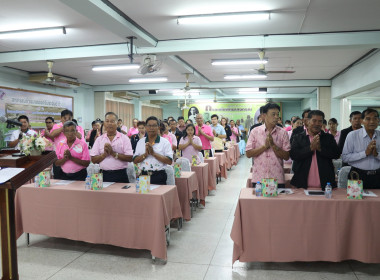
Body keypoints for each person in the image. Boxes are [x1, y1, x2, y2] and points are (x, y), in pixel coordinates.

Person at [290, 110, 340, 190]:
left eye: (320, 121)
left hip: (326, 184)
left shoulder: (328, 137)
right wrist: (310, 148)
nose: (317, 124)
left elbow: (336, 154)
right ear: (307, 121)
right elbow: (293, 155)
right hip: (301, 184)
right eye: (314, 121)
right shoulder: (298, 138)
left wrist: (320, 149)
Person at [246, 103, 290, 188]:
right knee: (259, 201)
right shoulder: (255, 131)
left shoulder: (283, 133)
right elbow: (248, 153)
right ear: (264, 115)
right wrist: (264, 147)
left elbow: (287, 156)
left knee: (279, 201)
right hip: (259, 178)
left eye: (278, 114)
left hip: (277, 178)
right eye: (273, 114)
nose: (276, 117)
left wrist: (273, 146)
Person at [342, 108, 380, 189]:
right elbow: (345, 157)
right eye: (368, 119)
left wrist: (376, 154)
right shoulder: (352, 135)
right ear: (362, 121)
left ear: (378, 121)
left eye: (375, 118)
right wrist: (365, 153)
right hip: (357, 175)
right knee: (356, 201)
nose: (372, 121)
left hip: (378, 175)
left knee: (376, 201)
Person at [90, 112, 133, 183]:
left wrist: (113, 153)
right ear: (104, 124)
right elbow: (93, 160)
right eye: (107, 121)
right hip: (104, 175)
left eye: (112, 121)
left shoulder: (124, 138)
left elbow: (130, 158)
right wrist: (104, 155)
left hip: (121, 175)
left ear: (117, 124)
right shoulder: (99, 139)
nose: (109, 123)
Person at [133, 116, 173, 185]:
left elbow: (169, 161)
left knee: (158, 195)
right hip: (143, 175)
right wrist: (145, 155)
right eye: (149, 125)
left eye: (154, 125)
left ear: (158, 127)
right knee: (144, 195)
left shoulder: (165, 142)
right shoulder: (141, 142)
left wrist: (153, 153)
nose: (151, 128)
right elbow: (135, 160)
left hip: (159, 175)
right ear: (146, 127)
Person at [178, 123, 205, 202]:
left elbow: (200, 148)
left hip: (195, 162)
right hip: (185, 162)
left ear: (194, 131)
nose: (190, 131)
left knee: (196, 179)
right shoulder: (183, 138)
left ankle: (196, 196)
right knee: (186, 180)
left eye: (191, 130)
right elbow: (180, 148)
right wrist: (188, 142)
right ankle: (188, 196)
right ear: (186, 130)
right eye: (188, 130)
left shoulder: (196, 138)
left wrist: (192, 142)